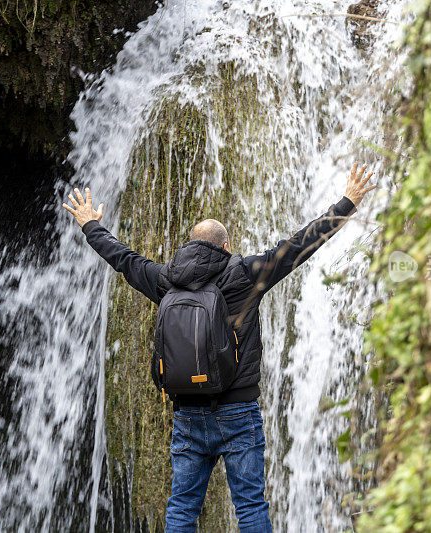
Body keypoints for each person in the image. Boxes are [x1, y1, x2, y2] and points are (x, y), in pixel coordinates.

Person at [63, 161, 376, 532]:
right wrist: (347, 203)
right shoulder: (243, 274)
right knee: (250, 508)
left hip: (187, 413)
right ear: (226, 246)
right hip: (238, 410)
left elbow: (124, 260)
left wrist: (91, 226)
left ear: (191, 244)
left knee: (182, 509)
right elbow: (297, 246)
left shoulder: (166, 279)